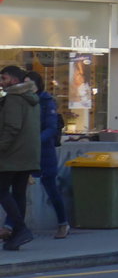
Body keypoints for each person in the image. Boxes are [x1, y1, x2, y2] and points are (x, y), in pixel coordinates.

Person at [0, 65, 41, 250]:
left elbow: (12, 127)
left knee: (2, 191)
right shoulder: (31, 98)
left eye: (4, 78)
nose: (1, 82)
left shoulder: (14, 98)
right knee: (18, 193)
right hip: (27, 153)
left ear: (14, 81)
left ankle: (21, 229)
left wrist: (1, 147)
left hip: (13, 154)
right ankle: (17, 235)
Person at [27, 71, 69, 239]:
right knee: (19, 188)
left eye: (30, 83)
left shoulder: (46, 102)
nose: (27, 87)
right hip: (29, 150)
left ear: (37, 84)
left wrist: (35, 140)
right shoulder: (25, 101)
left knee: (51, 187)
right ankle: (11, 226)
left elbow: (51, 128)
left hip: (44, 151)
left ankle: (63, 223)